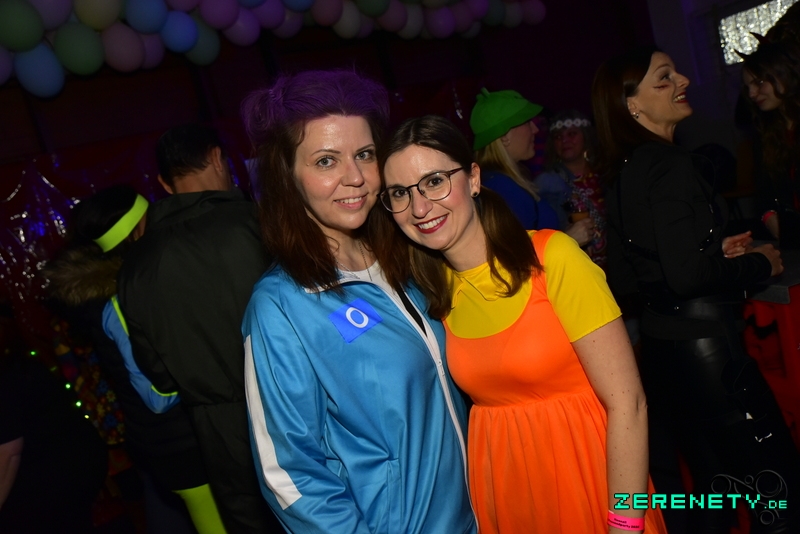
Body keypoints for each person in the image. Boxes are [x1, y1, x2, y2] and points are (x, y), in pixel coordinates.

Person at [379, 114, 667, 534]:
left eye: (435, 181)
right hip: (508, 492)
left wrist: (625, 522)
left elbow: (630, 405)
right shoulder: (432, 293)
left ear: (473, 179)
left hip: (588, 476)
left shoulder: (553, 258)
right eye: (400, 193)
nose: (419, 208)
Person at [240, 70, 475, 534]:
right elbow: (290, 476)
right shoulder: (282, 306)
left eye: (365, 155)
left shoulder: (410, 256)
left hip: (484, 513)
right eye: (326, 161)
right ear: (288, 176)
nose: (355, 178)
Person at [593, 46, 800, 533]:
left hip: (665, 358)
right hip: (710, 357)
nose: (683, 80)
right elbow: (685, 277)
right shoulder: (671, 165)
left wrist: (708, 251)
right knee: (779, 496)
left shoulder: (624, 171)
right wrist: (757, 263)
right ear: (632, 105)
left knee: (714, 497)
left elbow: (629, 278)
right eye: (665, 78)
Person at [117, 125, 280, 534]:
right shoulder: (261, 224)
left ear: (163, 183)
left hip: (217, 431)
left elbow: (157, 373)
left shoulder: (136, 265)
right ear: (217, 158)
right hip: (293, 404)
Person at [45, 184, 225, 534]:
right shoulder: (118, 300)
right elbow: (156, 395)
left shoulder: (134, 283)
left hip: (179, 439)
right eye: (149, 217)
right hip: (178, 445)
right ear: (136, 230)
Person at [0, 310, 108, 533]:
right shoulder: (18, 355)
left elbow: (8, 453)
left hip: (58, 473)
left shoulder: (8, 370)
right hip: (72, 461)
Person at [470, 88, 565, 232]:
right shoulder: (502, 188)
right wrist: (571, 237)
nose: (535, 129)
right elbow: (519, 246)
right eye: (526, 122)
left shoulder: (495, 181)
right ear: (504, 136)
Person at [740, 40, 800, 243]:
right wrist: (768, 216)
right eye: (747, 87)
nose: (752, 94)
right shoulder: (767, 133)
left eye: (758, 83)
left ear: (784, 75)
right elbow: (763, 189)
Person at [535, 109, 607, 267]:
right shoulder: (547, 183)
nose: (565, 141)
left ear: (586, 136)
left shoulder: (605, 174)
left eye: (572, 134)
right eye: (558, 137)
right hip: (575, 264)